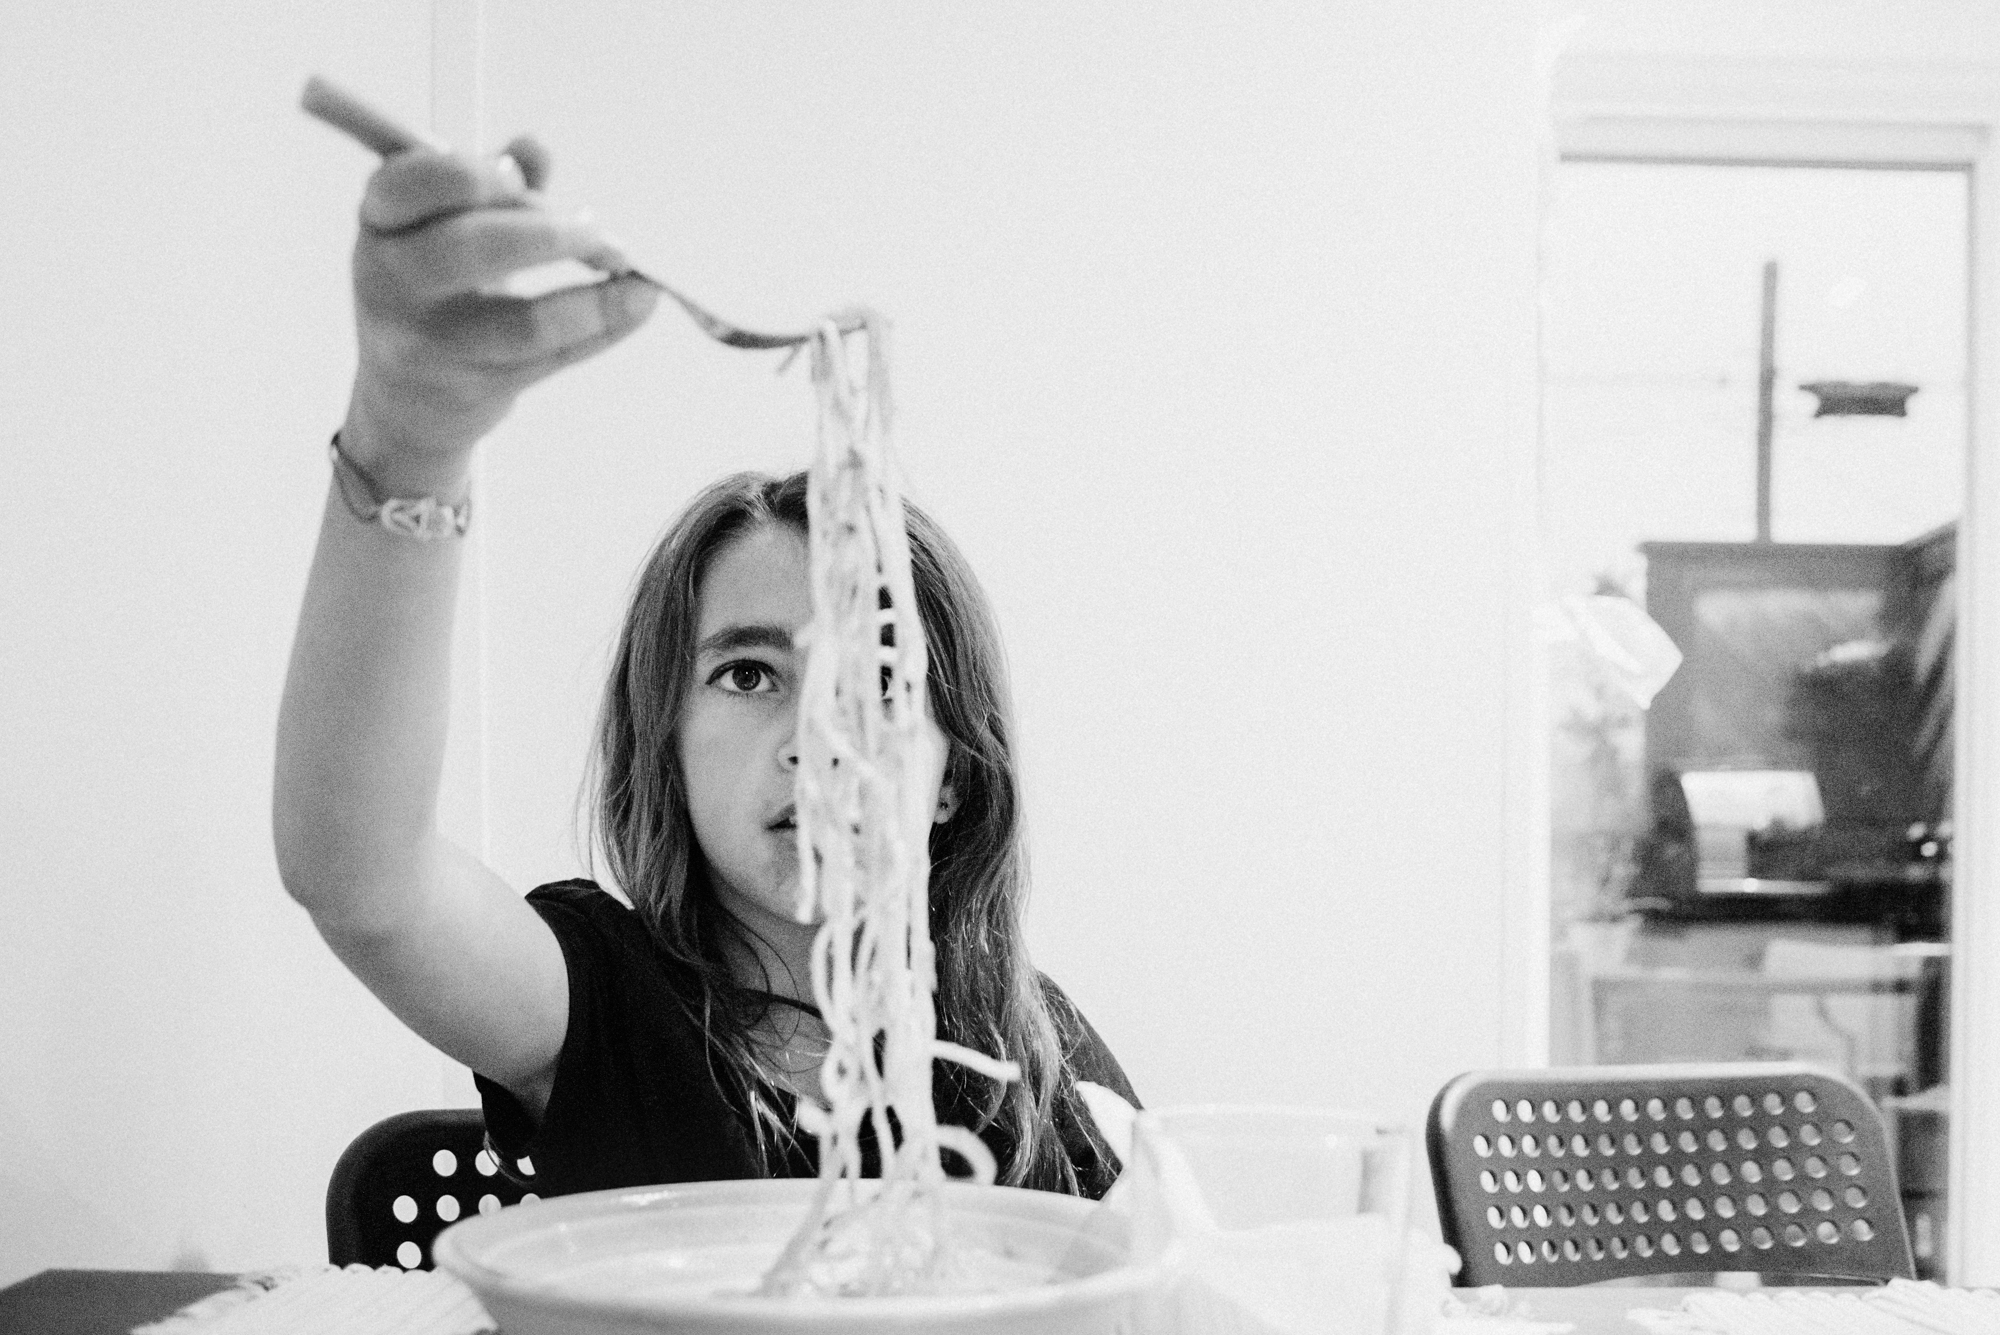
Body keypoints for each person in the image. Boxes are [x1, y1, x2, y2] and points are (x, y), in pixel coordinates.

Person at [272, 132, 1136, 1203]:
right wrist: (410, 439)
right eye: (747, 675)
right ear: (666, 743)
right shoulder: (605, 1004)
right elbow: (362, 878)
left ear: (952, 774)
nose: (817, 741)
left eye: (874, 684)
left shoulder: (1030, 1046)